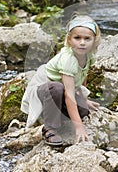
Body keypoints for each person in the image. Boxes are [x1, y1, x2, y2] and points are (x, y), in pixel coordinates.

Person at [21, 14, 101, 146]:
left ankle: (58, 115)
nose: (82, 42)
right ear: (69, 40)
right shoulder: (68, 59)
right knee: (57, 88)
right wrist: (79, 127)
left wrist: (85, 98)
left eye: (87, 38)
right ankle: (50, 128)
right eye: (77, 38)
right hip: (45, 89)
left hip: (62, 90)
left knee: (83, 110)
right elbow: (69, 95)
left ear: (94, 41)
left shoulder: (89, 56)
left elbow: (82, 75)